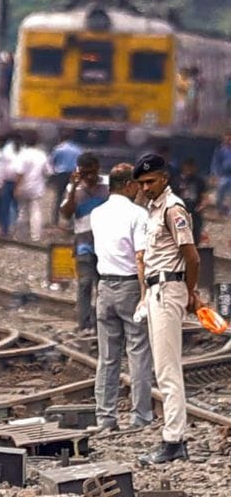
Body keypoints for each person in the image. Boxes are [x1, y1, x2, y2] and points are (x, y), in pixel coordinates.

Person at [133, 153, 201, 465]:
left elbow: (193, 256)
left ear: (165, 178)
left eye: (150, 181)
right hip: (158, 290)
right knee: (164, 368)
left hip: (168, 290)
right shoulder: (153, 209)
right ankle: (174, 438)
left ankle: (174, 441)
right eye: (142, 183)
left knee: (168, 370)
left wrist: (191, 292)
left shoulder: (173, 210)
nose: (145, 187)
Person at [88, 164, 154, 433]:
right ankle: (140, 416)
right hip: (129, 286)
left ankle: (105, 417)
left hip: (104, 286)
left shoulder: (96, 213)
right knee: (138, 352)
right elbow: (141, 257)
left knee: (107, 356)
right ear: (128, 185)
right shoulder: (138, 214)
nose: (140, 189)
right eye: (137, 184)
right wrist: (144, 294)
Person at [60, 153, 109, 334]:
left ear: (98, 168)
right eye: (85, 173)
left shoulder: (109, 185)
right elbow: (66, 213)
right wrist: (73, 187)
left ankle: (101, 322)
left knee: (103, 285)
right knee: (85, 283)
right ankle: (84, 323)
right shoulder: (73, 188)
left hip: (107, 244)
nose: (89, 177)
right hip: (84, 243)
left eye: (92, 172)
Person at [14, 133, 50, 241]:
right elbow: (48, 171)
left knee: (22, 211)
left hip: (24, 186)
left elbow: (19, 172)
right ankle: (36, 236)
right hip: (37, 187)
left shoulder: (22, 154)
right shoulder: (42, 155)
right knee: (36, 211)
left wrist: (17, 187)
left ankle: (21, 235)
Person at [48, 131, 83, 227]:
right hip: (73, 174)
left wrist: (52, 173)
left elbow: (51, 162)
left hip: (61, 174)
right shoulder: (77, 149)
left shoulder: (58, 149)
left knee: (59, 197)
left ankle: (55, 220)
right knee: (72, 198)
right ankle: (72, 221)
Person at [173, 158, 207, 245]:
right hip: (180, 210)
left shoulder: (199, 181)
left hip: (195, 209)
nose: (190, 170)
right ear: (183, 167)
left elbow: (204, 195)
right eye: (188, 167)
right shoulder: (176, 180)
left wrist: (202, 205)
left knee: (195, 232)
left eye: (192, 167)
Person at [212, 132, 231, 216]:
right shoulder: (220, 150)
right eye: (228, 139)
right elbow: (215, 163)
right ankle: (220, 209)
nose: (229, 141)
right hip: (223, 175)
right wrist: (215, 174)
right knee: (220, 194)